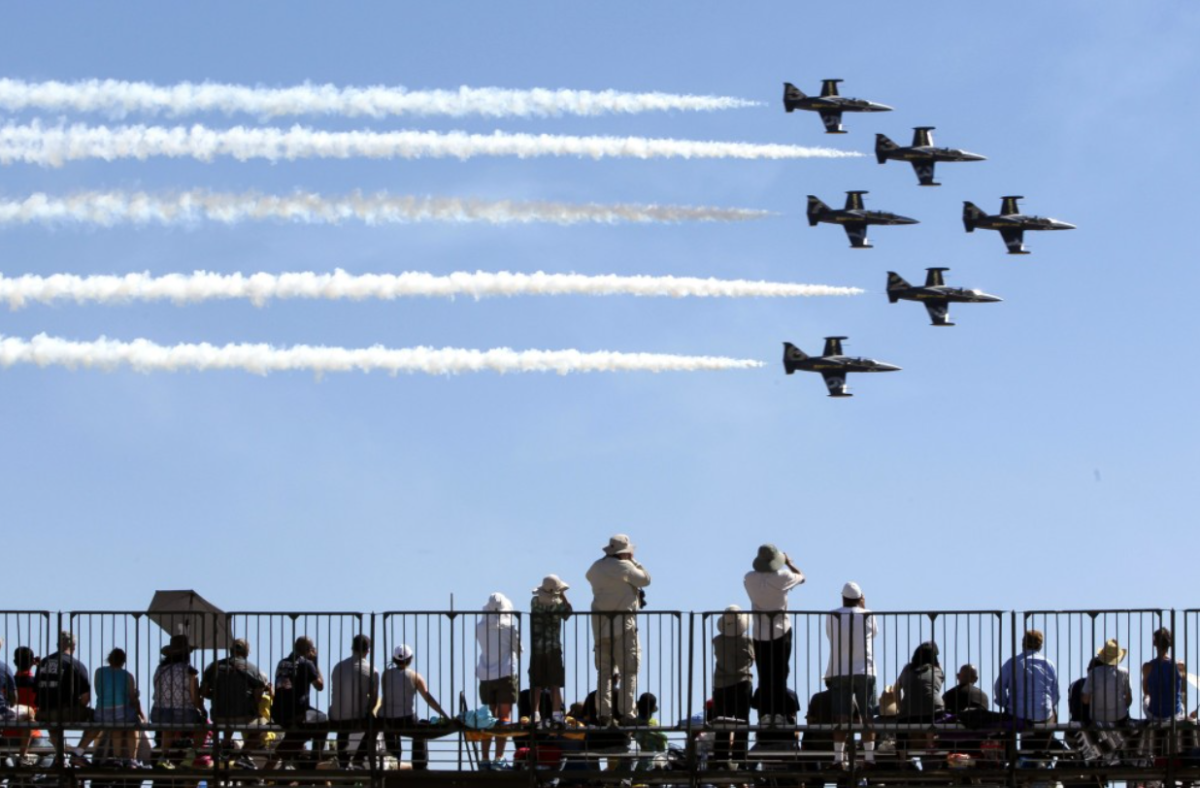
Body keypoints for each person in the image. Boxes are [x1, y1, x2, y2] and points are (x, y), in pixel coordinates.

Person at [586, 533, 651, 725]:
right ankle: (626, 713)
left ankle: (604, 713)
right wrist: (634, 562)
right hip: (624, 627)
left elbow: (587, 576)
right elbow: (646, 579)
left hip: (600, 628)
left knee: (604, 673)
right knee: (629, 671)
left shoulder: (596, 568)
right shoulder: (626, 567)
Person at [743, 545, 805, 719]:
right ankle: (779, 713)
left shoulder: (749, 578)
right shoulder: (783, 576)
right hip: (781, 631)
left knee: (764, 674)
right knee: (781, 674)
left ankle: (765, 714)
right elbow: (802, 578)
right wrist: (789, 563)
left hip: (759, 633)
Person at [825, 582, 878, 769]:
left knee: (841, 717)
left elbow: (830, 636)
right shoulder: (869, 615)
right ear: (860, 598)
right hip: (865, 670)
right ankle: (870, 758)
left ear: (843, 597)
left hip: (840, 670)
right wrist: (863, 608)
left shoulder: (833, 615)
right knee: (868, 716)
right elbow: (874, 634)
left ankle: (839, 759)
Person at [380, 644, 448, 771]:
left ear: (394, 659)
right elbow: (428, 698)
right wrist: (444, 715)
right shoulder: (414, 676)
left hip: (386, 719)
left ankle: (394, 761)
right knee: (420, 729)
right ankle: (420, 764)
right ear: (410, 659)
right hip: (405, 719)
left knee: (392, 734)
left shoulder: (385, 674)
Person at [200, 638, 272, 755]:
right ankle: (243, 756)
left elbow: (203, 692)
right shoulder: (252, 669)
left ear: (230, 650)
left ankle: (226, 744)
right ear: (246, 652)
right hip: (244, 716)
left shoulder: (213, 667)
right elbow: (259, 693)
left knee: (229, 714)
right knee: (264, 726)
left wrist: (216, 696)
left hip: (218, 716)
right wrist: (252, 700)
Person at [994, 630, 1059, 757]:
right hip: (1043, 715)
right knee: (1052, 715)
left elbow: (999, 686)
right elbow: (1055, 694)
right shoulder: (1049, 664)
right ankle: (1041, 752)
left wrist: (1003, 703)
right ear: (1040, 646)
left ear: (1023, 644)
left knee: (1006, 718)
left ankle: (1010, 754)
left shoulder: (1012, 662)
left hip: (1017, 714)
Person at [34, 631, 93, 764]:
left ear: (57, 644)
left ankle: (60, 755)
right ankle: (78, 753)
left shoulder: (43, 662)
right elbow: (85, 697)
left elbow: (37, 688)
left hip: (44, 713)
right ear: (73, 646)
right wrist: (77, 704)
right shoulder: (76, 664)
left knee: (53, 724)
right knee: (98, 717)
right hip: (66, 712)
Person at [476, 592, 520, 768]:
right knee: (504, 719)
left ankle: (485, 759)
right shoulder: (509, 626)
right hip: (505, 674)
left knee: (487, 719)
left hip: (485, 675)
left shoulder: (480, 626)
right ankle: (499, 758)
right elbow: (518, 648)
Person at [273, 635, 327, 769]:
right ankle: (314, 761)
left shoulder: (282, 663)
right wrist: (315, 661)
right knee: (324, 720)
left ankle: (288, 754)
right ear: (309, 650)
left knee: (300, 731)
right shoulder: (306, 663)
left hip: (278, 712)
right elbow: (320, 686)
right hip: (297, 711)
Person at [711, 605, 754, 769]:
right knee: (742, 721)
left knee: (722, 721)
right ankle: (740, 757)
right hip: (742, 681)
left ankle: (720, 758)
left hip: (721, 683)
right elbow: (751, 660)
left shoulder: (717, 640)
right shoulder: (747, 640)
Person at [151, 634, 204, 764]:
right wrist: (201, 706)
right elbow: (195, 700)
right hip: (183, 714)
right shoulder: (190, 672)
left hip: (159, 713)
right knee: (203, 723)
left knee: (167, 725)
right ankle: (192, 753)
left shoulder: (160, 669)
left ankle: (164, 756)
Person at [330, 634, 379, 768]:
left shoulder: (338, 667)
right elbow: (374, 701)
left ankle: (342, 760)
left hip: (336, 717)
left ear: (352, 648)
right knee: (375, 723)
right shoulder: (372, 670)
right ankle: (360, 756)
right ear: (368, 651)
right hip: (356, 718)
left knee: (342, 717)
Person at [529, 575, 572, 725]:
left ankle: (535, 713)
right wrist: (563, 596)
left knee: (536, 683)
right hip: (553, 647)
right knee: (555, 683)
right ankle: (556, 714)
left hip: (537, 647)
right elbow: (568, 613)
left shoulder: (534, 602)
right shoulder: (558, 604)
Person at [93, 648, 142, 763]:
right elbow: (131, 698)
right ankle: (129, 758)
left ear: (109, 659)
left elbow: (98, 691)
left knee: (115, 723)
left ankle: (117, 758)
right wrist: (136, 697)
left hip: (101, 712)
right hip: (121, 714)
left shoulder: (99, 672)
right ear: (123, 661)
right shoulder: (128, 676)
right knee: (132, 723)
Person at [894, 641, 944, 753]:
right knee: (940, 721)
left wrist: (900, 707)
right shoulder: (937, 670)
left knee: (900, 730)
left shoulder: (907, 669)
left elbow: (896, 688)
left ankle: (902, 757)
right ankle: (931, 746)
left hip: (908, 712)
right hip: (933, 712)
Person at [1082, 639, 1132, 725]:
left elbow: (1085, 700)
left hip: (1097, 719)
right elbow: (1129, 700)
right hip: (1119, 718)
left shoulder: (1093, 673)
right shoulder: (1124, 672)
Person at [0, 639, 34, 761]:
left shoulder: (7, 676)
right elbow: (14, 697)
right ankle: (23, 756)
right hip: (32, 736)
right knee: (29, 712)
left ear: (15, 661)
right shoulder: (4, 668)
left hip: (7, 735)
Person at [1143, 627, 1186, 721]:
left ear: (1154, 643)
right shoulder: (1179, 665)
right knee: (1181, 703)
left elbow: (1146, 691)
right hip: (1174, 715)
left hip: (1155, 715)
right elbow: (1180, 689)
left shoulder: (1147, 666)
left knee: (1146, 699)